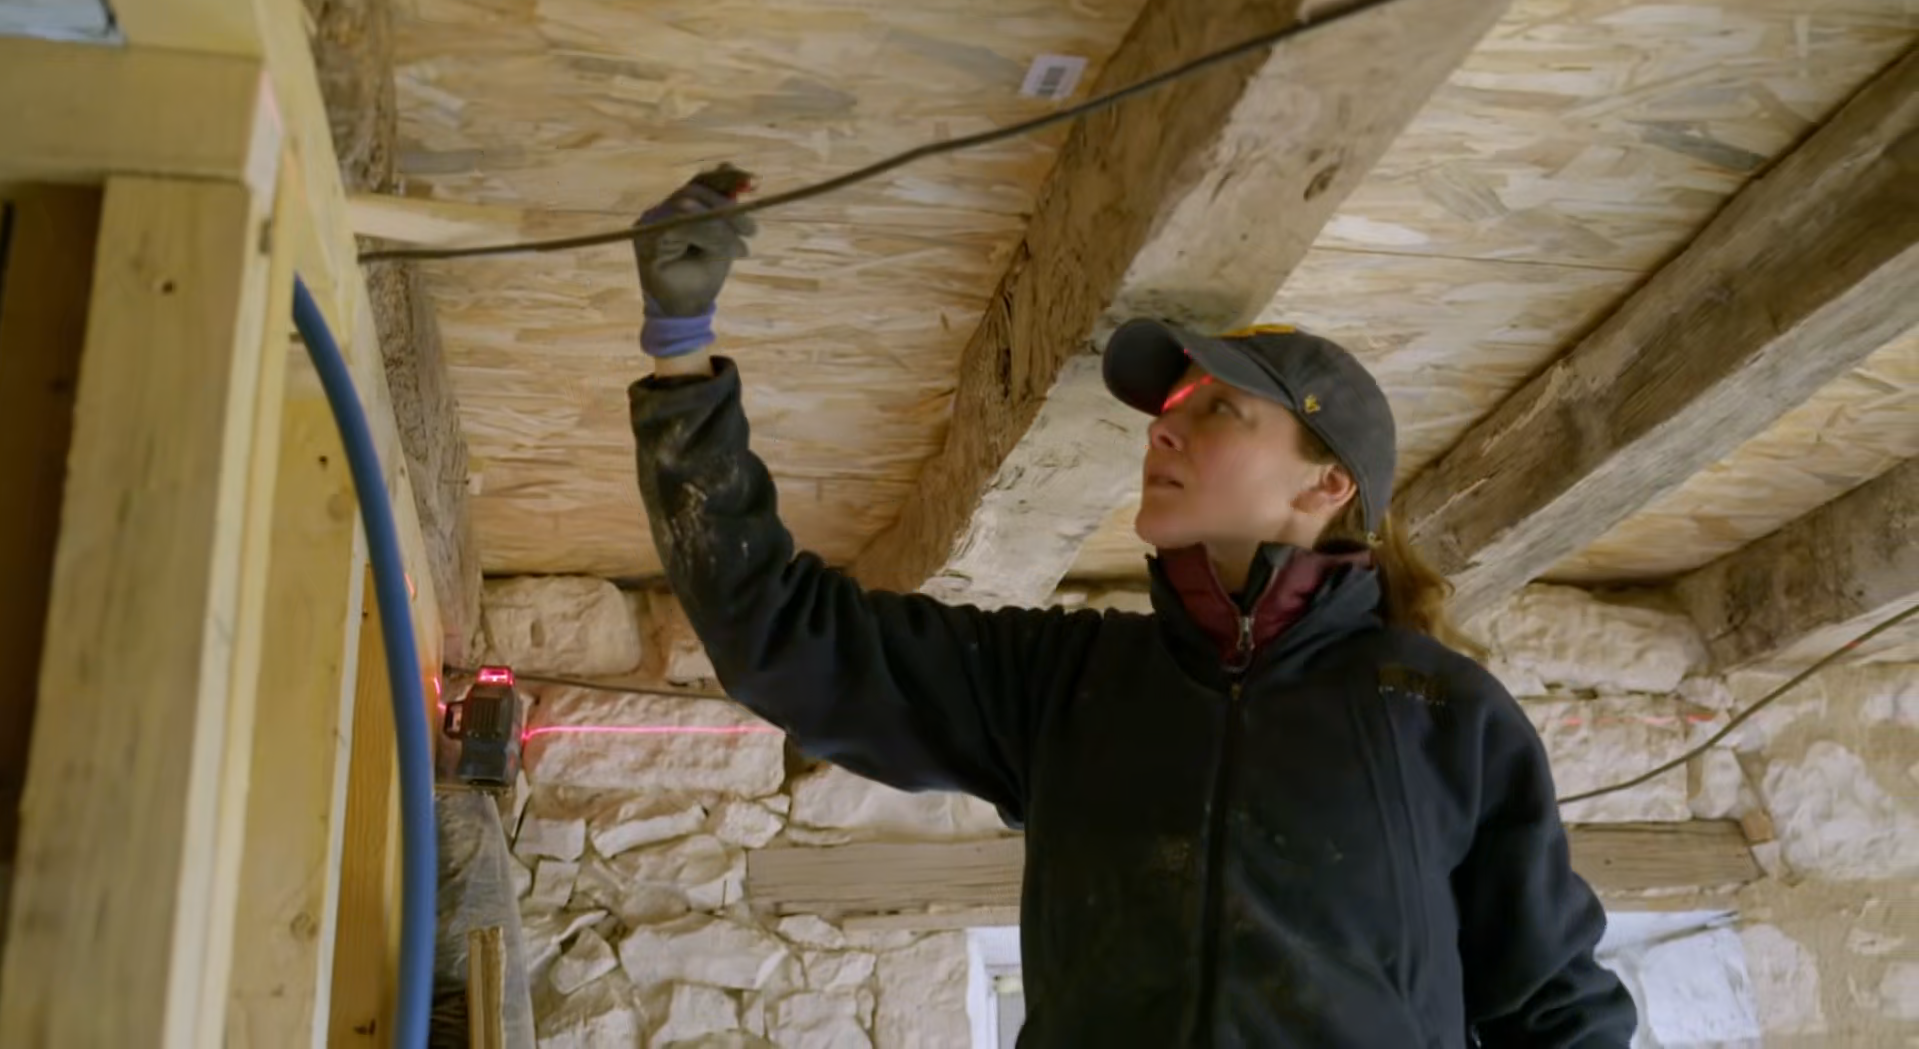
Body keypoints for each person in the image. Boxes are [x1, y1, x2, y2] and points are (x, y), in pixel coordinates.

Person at [625, 169, 1637, 1048]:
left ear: (1327, 485)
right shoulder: (1063, 684)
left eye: (1218, 410)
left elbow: (1559, 1013)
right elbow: (783, 637)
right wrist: (680, 350)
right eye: (1169, 411)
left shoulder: (1443, 714)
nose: (1162, 431)